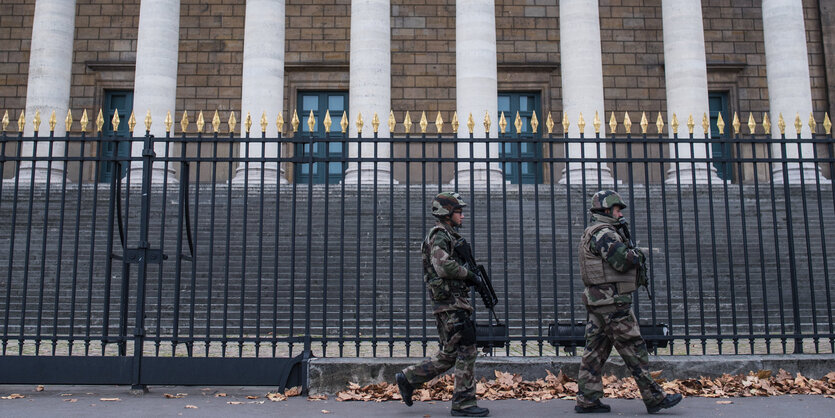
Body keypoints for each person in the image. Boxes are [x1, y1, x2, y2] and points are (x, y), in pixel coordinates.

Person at [575, 190, 682, 414]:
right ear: (605, 210)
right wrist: (638, 253)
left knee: (595, 350)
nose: (620, 213)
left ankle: (588, 398)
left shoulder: (595, 231)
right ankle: (654, 397)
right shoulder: (604, 233)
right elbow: (622, 261)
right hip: (613, 302)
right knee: (634, 348)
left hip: (599, 302)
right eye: (616, 209)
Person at [395, 192, 489, 417]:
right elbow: (443, 266)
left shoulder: (449, 235)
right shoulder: (439, 235)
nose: (463, 216)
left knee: (449, 354)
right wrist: (470, 275)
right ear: (447, 213)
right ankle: (464, 404)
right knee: (467, 349)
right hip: (450, 303)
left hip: (452, 302)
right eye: (459, 211)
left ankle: (408, 378)